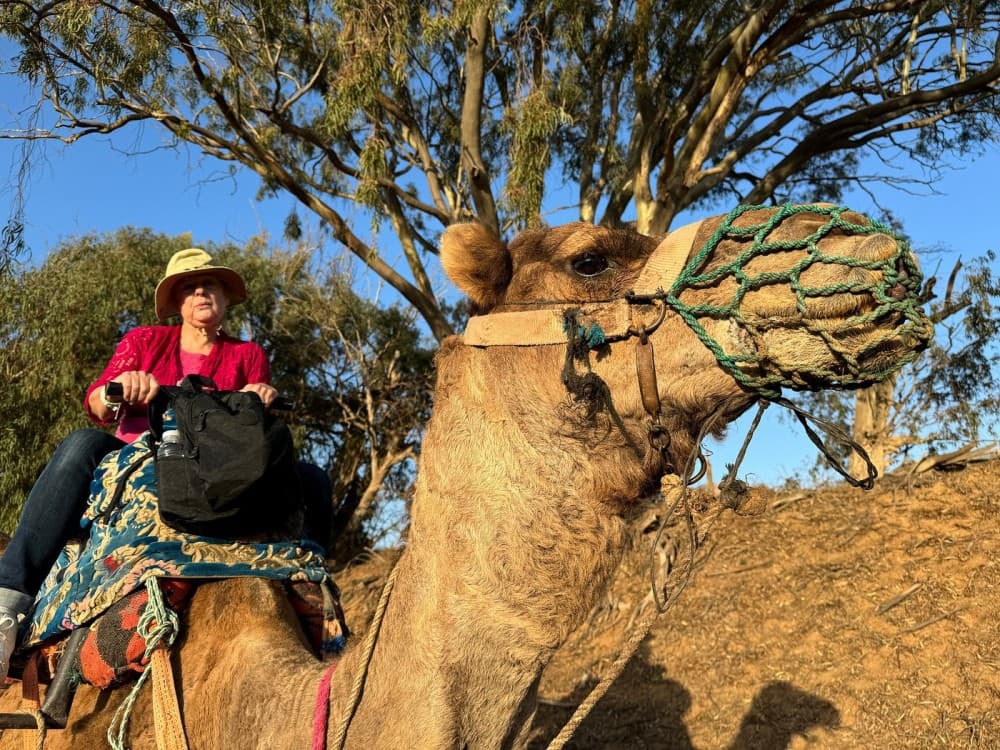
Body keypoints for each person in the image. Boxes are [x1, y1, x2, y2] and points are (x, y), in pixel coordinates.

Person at [0, 248, 331, 680]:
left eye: (209, 284)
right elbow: (97, 401)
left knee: (312, 477)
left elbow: (255, 431)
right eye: (189, 287)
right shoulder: (144, 341)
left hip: (217, 465)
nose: (200, 292)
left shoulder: (247, 355)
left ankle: (317, 590)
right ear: (176, 302)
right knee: (81, 445)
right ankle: (8, 600)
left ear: (226, 298)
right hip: (144, 450)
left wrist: (261, 397)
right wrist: (120, 387)